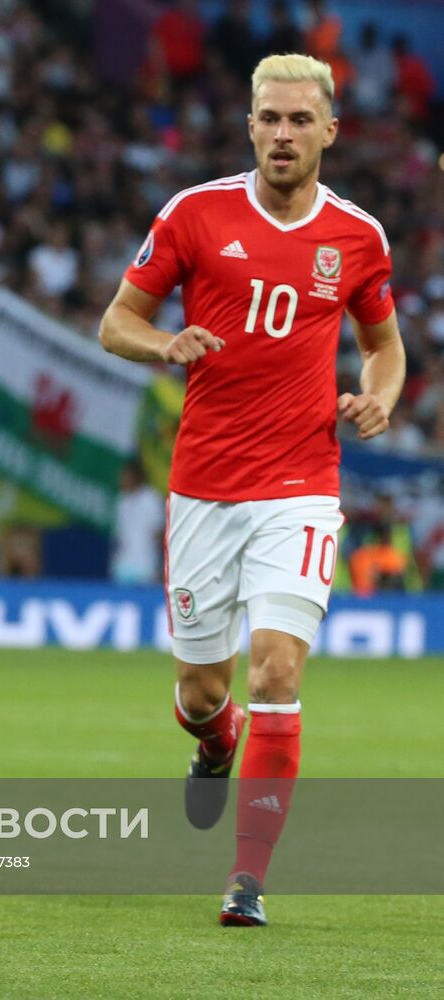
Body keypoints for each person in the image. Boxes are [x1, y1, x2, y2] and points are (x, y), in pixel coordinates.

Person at [98, 54, 404, 927]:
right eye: (269, 118)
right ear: (250, 127)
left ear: (329, 131)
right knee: (202, 688)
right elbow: (116, 320)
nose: (282, 134)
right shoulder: (194, 214)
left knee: (277, 667)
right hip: (203, 487)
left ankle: (247, 878)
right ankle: (216, 740)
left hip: (302, 483)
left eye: (300, 121)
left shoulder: (358, 236)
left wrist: (377, 398)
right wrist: (166, 346)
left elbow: (384, 345)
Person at [110, 459, 165, 585]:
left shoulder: (151, 499)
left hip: (146, 566)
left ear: (136, 476)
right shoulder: (121, 501)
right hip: (123, 565)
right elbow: (119, 536)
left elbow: (159, 534)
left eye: (125, 476)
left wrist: (160, 566)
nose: (122, 479)